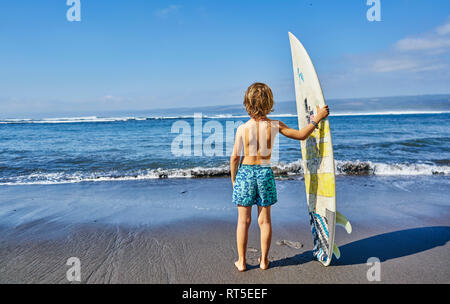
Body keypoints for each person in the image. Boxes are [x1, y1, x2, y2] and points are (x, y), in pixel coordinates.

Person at [230, 82, 329, 271]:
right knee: (264, 220)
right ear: (269, 103)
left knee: (243, 221)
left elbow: (235, 158)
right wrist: (317, 119)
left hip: (245, 173)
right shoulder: (274, 125)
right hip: (264, 172)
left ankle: (242, 262)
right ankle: (264, 261)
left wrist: (234, 179)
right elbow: (301, 135)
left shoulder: (242, 128)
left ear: (247, 104)